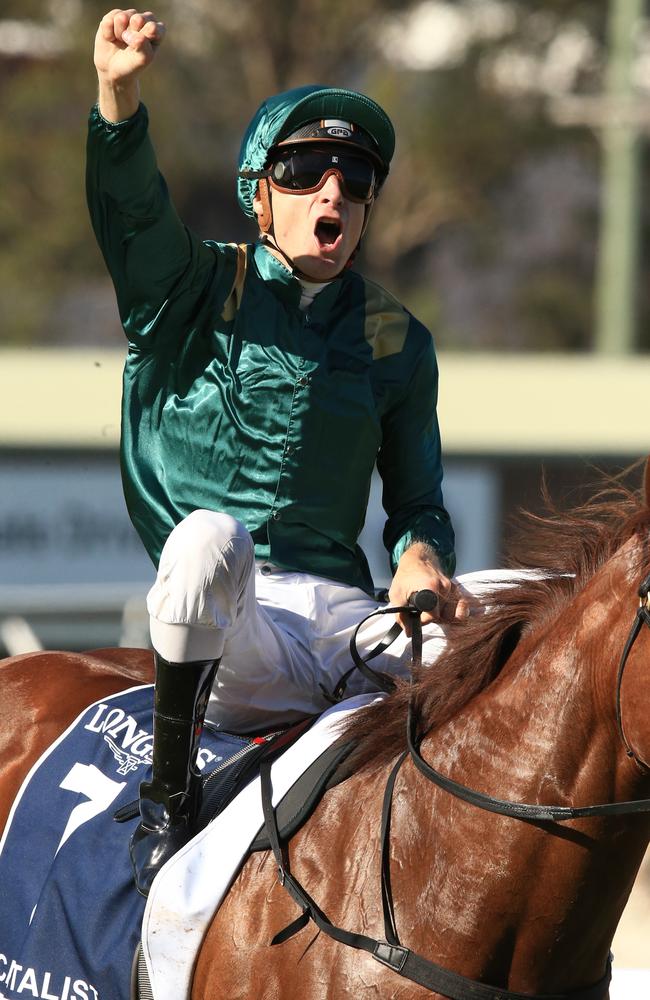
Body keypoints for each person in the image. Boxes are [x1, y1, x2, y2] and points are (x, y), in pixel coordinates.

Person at [88, 9, 466, 896]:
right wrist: (117, 95)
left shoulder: (398, 341)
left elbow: (419, 502)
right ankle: (169, 793)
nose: (332, 192)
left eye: (356, 178)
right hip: (236, 639)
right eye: (303, 172)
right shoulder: (187, 288)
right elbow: (133, 206)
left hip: (350, 633)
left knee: (509, 614)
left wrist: (421, 557)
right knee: (205, 541)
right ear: (259, 191)